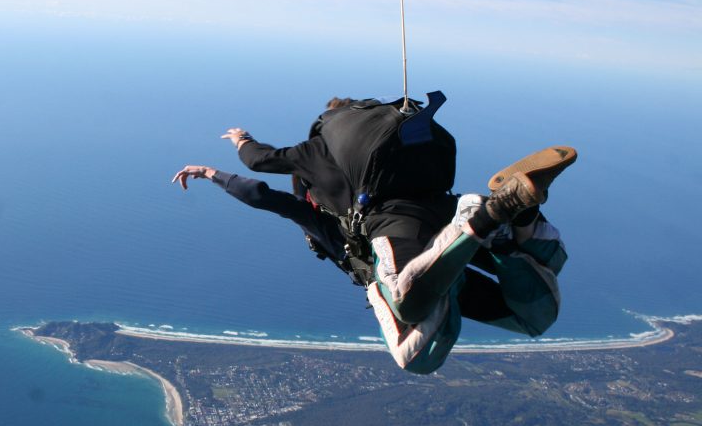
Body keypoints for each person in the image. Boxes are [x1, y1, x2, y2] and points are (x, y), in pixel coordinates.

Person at [172, 97, 576, 374]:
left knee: (413, 345)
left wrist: (216, 168)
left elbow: (263, 191)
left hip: (404, 236)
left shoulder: (319, 190)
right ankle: (518, 213)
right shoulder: (381, 155)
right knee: (534, 317)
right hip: (443, 218)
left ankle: (482, 219)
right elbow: (262, 188)